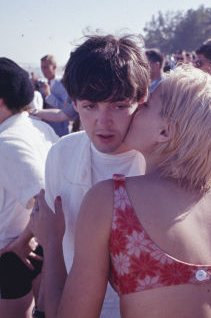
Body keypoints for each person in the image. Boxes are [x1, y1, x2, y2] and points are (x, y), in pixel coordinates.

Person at [32, 65, 211, 318]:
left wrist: (51, 242)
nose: (135, 112)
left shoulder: (112, 200)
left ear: (165, 131)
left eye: (146, 105)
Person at [32, 34, 150, 318]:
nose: (103, 121)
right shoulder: (62, 153)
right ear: (74, 103)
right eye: (90, 106)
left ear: (141, 100)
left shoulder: (155, 162)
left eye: (119, 106)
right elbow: (54, 243)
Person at [0, 58, 58, 318]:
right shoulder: (38, 127)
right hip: (36, 246)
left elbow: (45, 197)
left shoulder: (7, 141)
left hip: (13, 250)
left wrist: (22, 240)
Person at [39, 55, 70, 137]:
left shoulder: (63, 84)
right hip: (45, 129)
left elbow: (65, 109)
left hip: (59, 131)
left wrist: (48, 95)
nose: (43, 70)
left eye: (46, 67)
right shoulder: (43, 84)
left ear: (54, 67)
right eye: (42, 67)